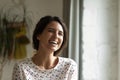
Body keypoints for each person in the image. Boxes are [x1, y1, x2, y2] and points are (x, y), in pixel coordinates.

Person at [12, 15, 78, 80]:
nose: (56, 37)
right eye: (51, 31)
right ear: (38, 35)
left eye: (60, 34)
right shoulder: (21, 68)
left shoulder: (69, 66)